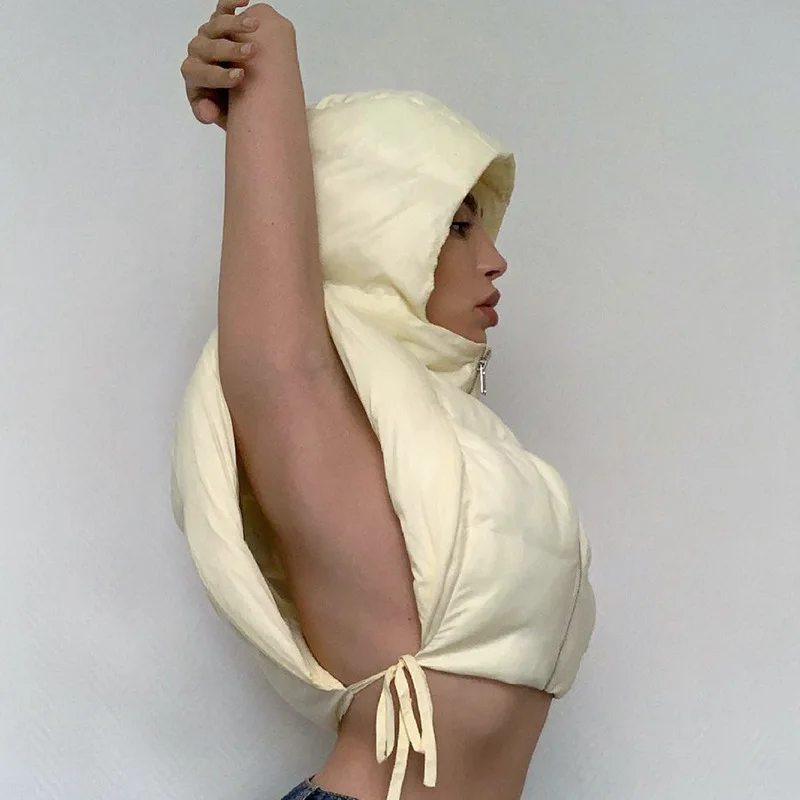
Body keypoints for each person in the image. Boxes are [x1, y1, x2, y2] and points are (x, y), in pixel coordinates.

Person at [173, 4, 596, 800]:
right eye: (457, 227)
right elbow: (276, 284)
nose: (495, 260)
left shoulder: (458, 449)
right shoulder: (307, 404)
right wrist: (257, 58)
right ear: (373, 234)